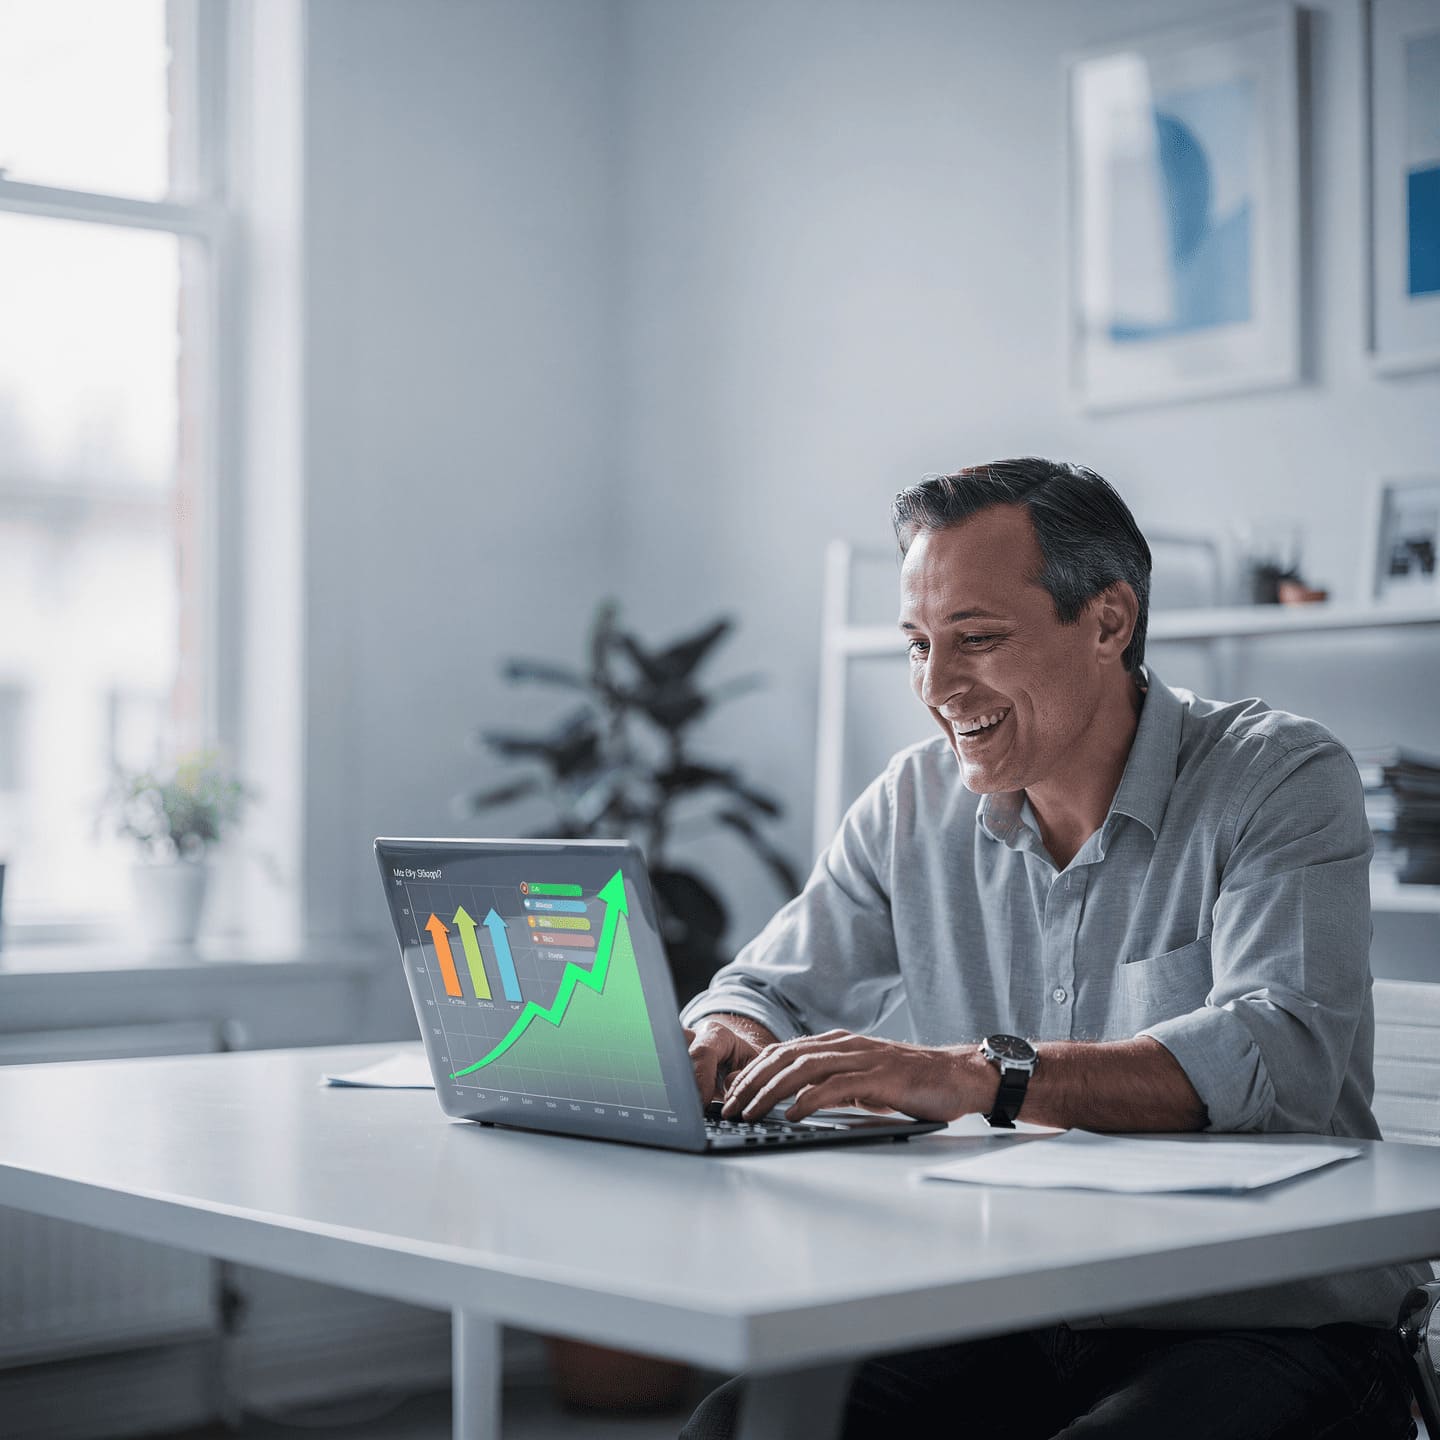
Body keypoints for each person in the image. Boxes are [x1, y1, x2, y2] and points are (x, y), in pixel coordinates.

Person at [680, 459, 1422, 1439]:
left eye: (977, 640)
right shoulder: (910, 803)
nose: (936, 688)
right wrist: (726, 1032)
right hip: (1019, 1308)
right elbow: (763, 987)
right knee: (743, 1426)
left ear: (1109, 622)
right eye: (917, 645)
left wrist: (977, 1075)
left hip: (1267, 1319)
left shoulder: (1278, 775)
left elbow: (1278, 1057)